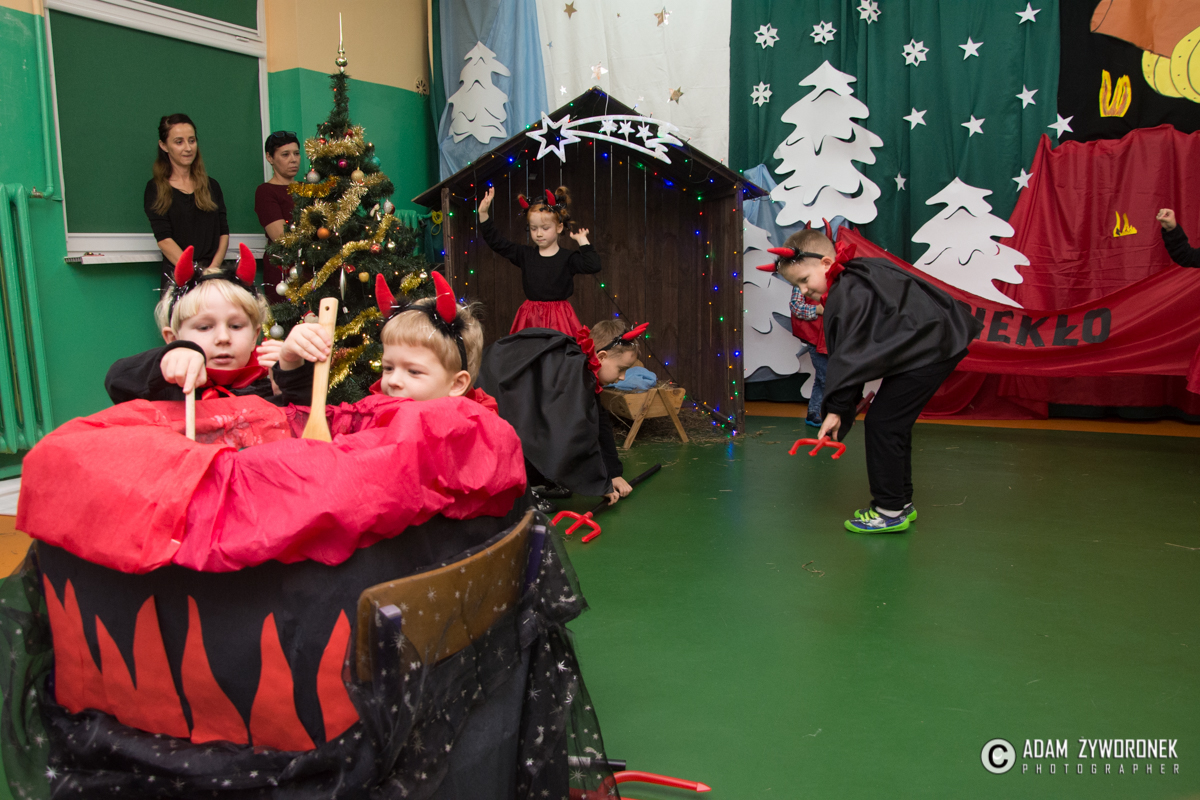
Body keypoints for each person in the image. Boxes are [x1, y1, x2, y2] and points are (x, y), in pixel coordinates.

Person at [769, 229, 982, 534]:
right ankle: (900, 502)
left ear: (827, 263)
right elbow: (856, 357)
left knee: (884, 423)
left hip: (930, 349)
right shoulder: (858, 273)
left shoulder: (845, 295)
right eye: (796, 286)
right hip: (931, 343)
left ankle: (889, 511)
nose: (803, 291)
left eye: (804, 280)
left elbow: (849, 359)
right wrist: (840, 408)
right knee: (892, 423)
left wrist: (836, 410)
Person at [105, 244, 328, 405]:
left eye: (236, 326)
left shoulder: (267, 386)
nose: (223, 338)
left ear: (254, 337)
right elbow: (117, 381)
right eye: (204, 327)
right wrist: (168, 357)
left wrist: (291, 370)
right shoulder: (164, 389)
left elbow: (307, 424)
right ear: (173, 338)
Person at [478, 318, 641, 511]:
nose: (622, 377)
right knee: (529, 431)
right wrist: (599, 483)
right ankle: (521, 493)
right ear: (602, 357)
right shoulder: (573, 373)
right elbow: (575, 434)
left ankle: (537, 481)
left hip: (512, 396)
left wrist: (612, 474)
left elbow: (599, 421)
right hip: (495, 398)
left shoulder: (585, 367)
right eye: (621, 369)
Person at [477, 185, 601, 335]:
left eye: (545, 228)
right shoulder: (525, 255)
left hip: (560, 319)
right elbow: (497, 243)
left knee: (561, 349)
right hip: (531, 318)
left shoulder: (568, 258)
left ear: (559, 227)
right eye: (534, 228)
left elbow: (594, 265)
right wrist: (483, 214)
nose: (539, 234)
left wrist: (583, 241)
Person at [369, 270, 496, 409]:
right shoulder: (374, 413)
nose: (393, 381)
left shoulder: (473, 423)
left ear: (456, 384)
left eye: (414, 371)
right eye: (388, 368)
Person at [145, 114, 229, 290]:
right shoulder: (155, 189)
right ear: (164, 145)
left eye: (192, 140)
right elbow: (164, 240)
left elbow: (223, 233)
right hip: (179, 278)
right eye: (179, 142)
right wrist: (194, 273)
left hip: (213, 276)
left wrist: (212, 271)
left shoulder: (212, 186)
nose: (188, 148)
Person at [256, 131, 301, 302]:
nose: (293, 159)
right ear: (270, 157)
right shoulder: (266, 191)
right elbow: (281, 237)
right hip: (283, 271)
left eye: (296, 153)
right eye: (285, 154)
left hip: (311, 268)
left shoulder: (308, 189)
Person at [789, 286, 827, 427]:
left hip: (834, 335)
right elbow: (795, 306)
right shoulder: (804, 281)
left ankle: (813, 412)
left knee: (822, 376)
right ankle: (831, 413)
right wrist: (817, 310)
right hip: (814, 336)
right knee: (826, 377)